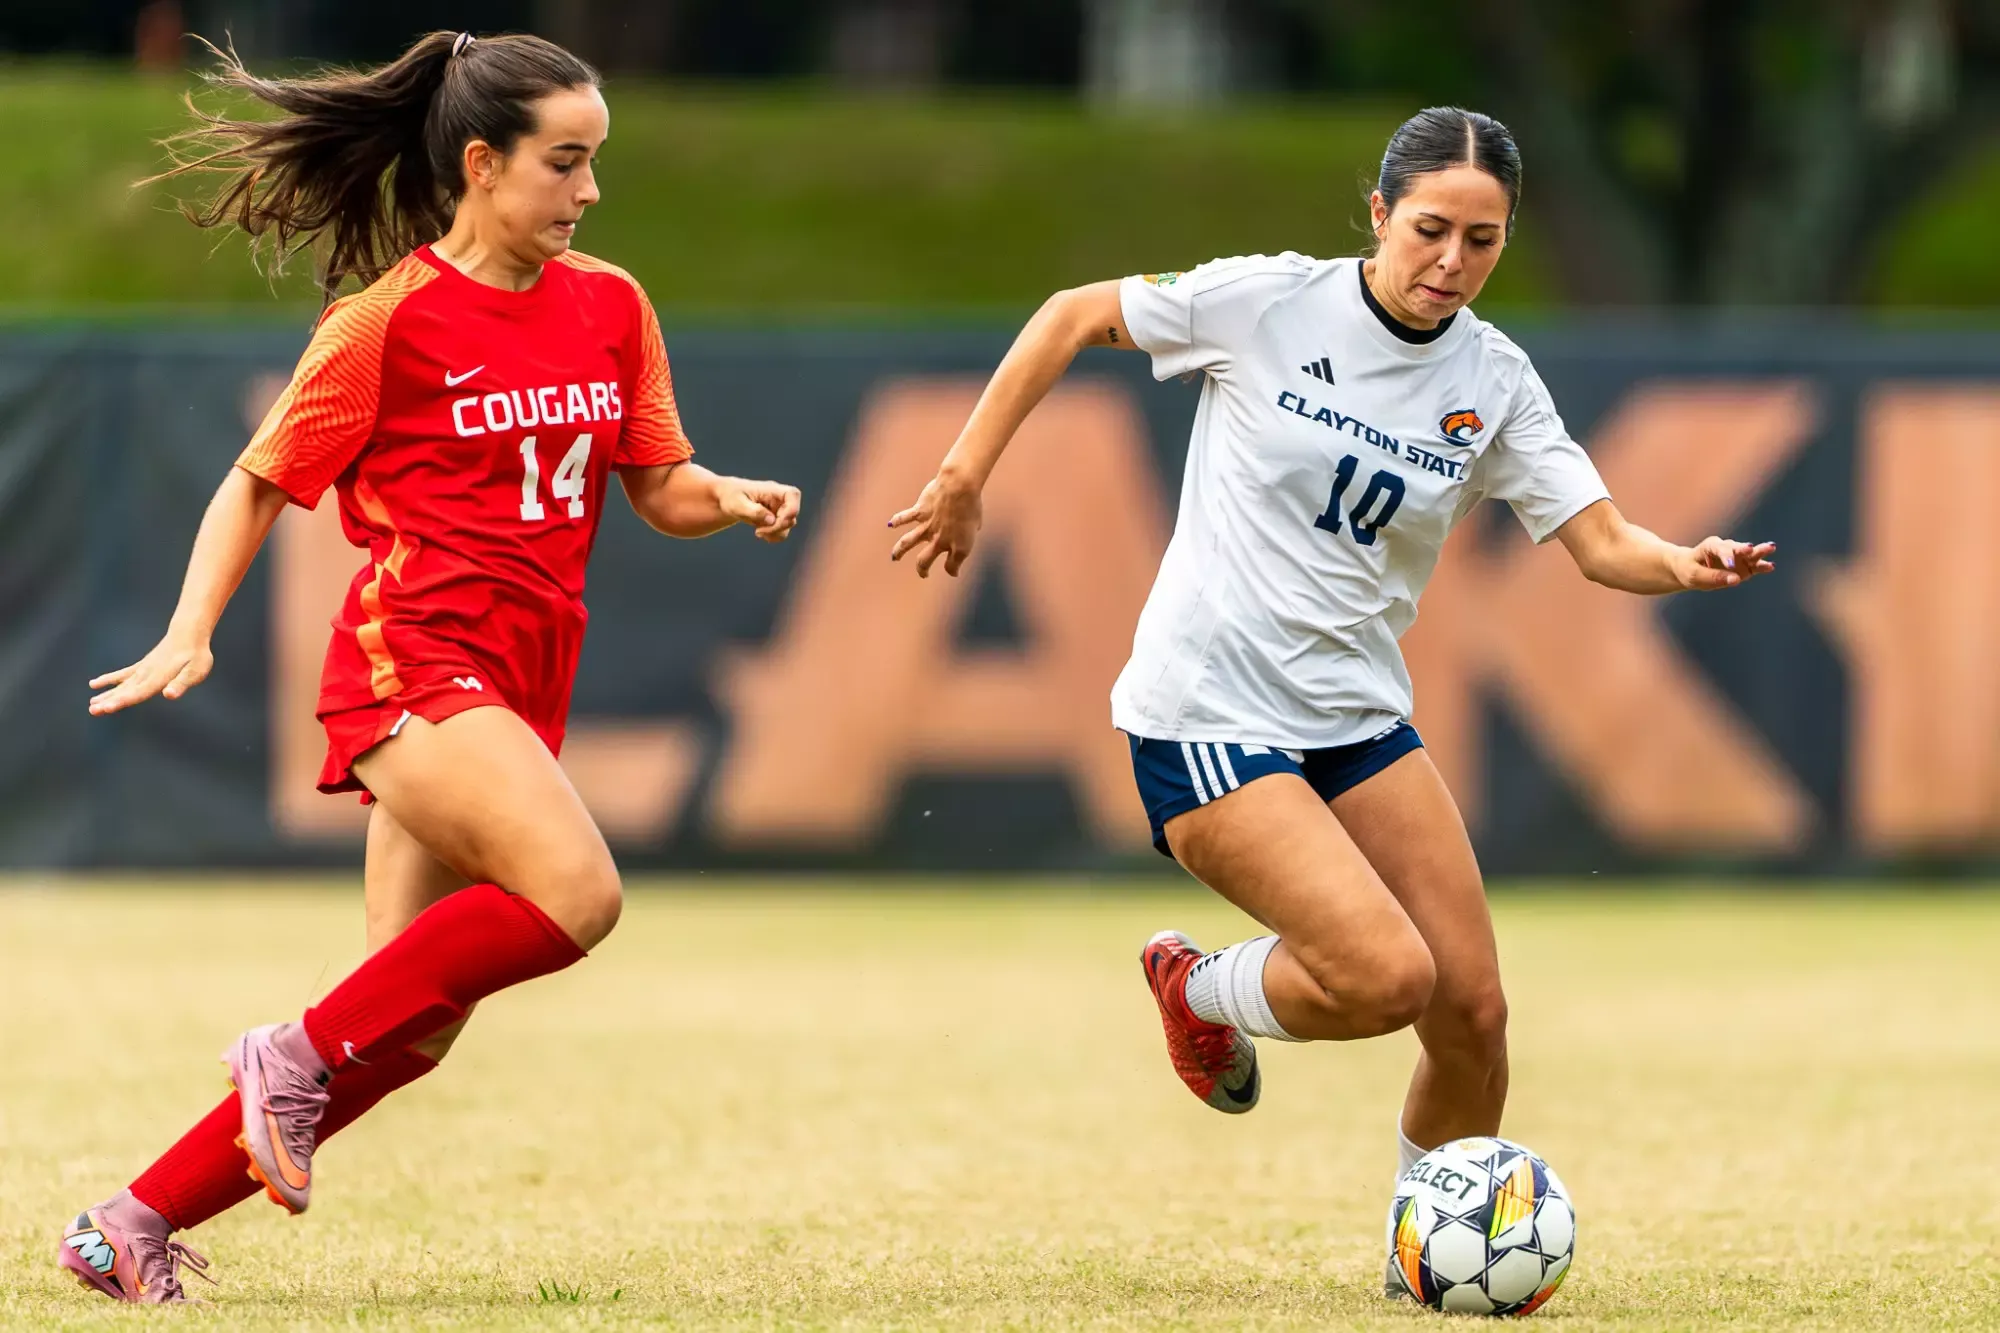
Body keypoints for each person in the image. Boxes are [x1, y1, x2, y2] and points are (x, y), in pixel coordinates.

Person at [889, 106, 1773, 1294]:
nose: (1449, 264)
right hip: (1205, 714)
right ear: (1376, 213)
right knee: (1381, 978)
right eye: (1427, 231)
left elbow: (1601, 540)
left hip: (1355, 717)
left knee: (1470, 1010)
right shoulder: (1266, 301)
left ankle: (1433, 1261)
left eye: (1481, 241)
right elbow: (1071, 315)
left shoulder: (1493, 380)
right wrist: (960, 474)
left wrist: (1684, 561)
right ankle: (1195, 986)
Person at [57, 31, 802, 1305]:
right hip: (413, 662)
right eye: (564, 163)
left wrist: (719, 495)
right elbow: (256, 484)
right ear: (480, 163)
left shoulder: (612, 304)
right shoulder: (387, 320)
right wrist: (192, 628)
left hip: (519, 679)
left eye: (593, 164)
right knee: (578, 893)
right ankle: (281, 1053)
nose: (588, 191)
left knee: (407, 1025)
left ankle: (129, 1222)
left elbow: (654, 487)